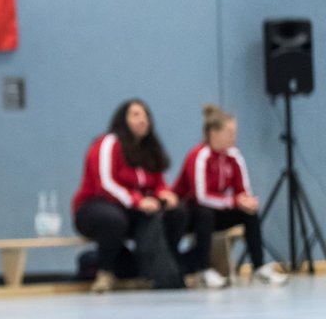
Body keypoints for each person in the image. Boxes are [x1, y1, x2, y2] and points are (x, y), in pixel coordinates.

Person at [72, 99, 186, 292]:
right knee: (114, 219)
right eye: (136, 115)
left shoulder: (149, 149)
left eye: (146, 115)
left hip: (130, 210)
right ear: (122, 119)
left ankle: (166, 268)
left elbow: (157, 183)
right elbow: (105, 184)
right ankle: (105, 273)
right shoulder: (108, 143)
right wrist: (138, 201)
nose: (143, 120)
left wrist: (165, 195)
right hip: (95, 206)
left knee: (177, 213)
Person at [174, 104, 287, 288]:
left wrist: (246, 201)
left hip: (216, 210)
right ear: (214, 133)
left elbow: (242, 190)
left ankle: (259, 267)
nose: (234, 137)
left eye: (235, 132)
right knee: (205, 213)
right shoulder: (199, 156)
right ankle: (203, 270)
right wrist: (235, 201)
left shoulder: (234, 156)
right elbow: (201, 196)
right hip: (191, 215)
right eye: (229, 132)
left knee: (249, 212)